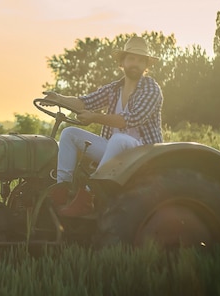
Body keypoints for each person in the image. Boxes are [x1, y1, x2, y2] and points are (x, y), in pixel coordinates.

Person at [42, 36, 163, 217]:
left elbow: (129, 119)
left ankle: (88, 196)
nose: (135, 64)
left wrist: (94, 117)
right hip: (114, 149)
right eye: (131, 58)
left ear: (146, 65)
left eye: (140, 60)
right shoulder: (114, 88)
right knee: (69, 133)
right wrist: (59, 98)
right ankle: (62, 191)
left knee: (119, 138)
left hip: (142, 152)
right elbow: (84, 102)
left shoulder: (151, 89)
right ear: (122, 62)